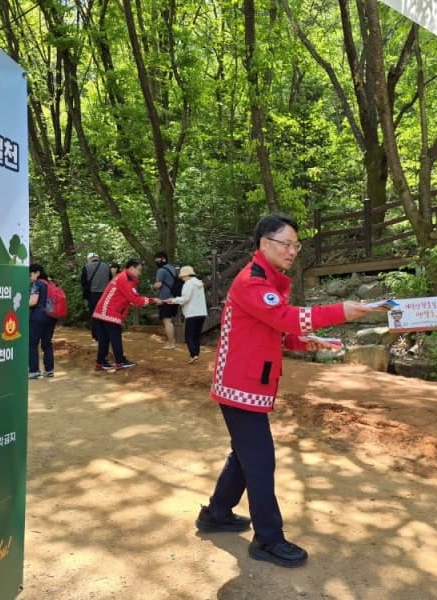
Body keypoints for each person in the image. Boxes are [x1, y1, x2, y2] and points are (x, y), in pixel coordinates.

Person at [195, 213, 377, 568]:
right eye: (286, 244)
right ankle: (268, 538)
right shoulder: (253, 281)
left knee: (245, 454)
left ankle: (217, 513)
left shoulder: (269, 280)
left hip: (249, 382)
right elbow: (285, 318)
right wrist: (342, 311)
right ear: (265, 244)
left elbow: (273, 328)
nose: (293, 251)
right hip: (239, 385)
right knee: (260, 460)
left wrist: (302, 341)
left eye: (297, 245)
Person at [92, 258, 160, 370]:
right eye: (139, 270)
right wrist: (153, 300)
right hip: (109, 312)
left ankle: (101, 362)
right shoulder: (124, 279)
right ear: (132, 268)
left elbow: (129, 299)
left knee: (104, 339)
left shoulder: (122, 277)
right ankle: (120, 361)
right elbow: (135, 300)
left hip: (100, 312)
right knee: (115, 337)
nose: (140, 273)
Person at [168, 265, 208, 364]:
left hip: (192, 313)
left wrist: (173, 300)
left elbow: (185, 298)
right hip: (202, 313)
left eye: (182, 276)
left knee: (189, 336)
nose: (182, 278)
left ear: (186, 275)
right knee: (196, 335)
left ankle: (193, 354)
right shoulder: (198, 283)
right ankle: (196, 354)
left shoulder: (188, 284)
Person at [28, 263, 57, 379]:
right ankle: (49, 370)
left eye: (31, 274)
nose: (30, 277)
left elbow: (33, 301)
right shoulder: (50, 283)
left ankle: (34, 371)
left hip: (38, 317)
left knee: (32, 343)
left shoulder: (37, 284)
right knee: (47, 343)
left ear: (37, 273)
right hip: (51, 317)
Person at [80, 252, 111, 341]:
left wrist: (86, 296)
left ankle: (96, 336)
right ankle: (106, 335)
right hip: (105, 295)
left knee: (94, 316)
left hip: (93, 295)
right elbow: (110, 280)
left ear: (89, 259)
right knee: (105, 315)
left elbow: (83, 283)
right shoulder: (106, 266)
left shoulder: (86, 267)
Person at [153, 251, 179, 349]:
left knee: (167, 321)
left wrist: (153, 286)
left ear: (163, 259)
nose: (156, 262)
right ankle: (172, 341)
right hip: (174, 297)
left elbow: (158, 284)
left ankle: (171, 343)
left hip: (165, 299)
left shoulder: (161, 270)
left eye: (157, 260)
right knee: (170, 320)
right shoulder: (172, 268)